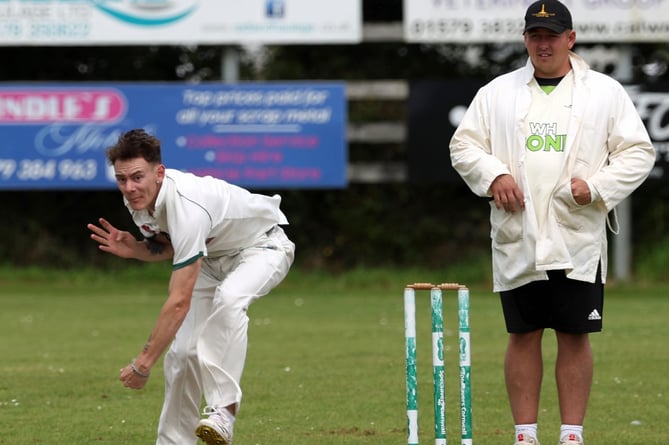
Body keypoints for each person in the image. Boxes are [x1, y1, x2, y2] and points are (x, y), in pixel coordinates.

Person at [449, 1, 655, 445]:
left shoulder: (604, 92)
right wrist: (494, 175)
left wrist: (597, 187)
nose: (544, 44)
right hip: (518, 232)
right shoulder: (497, 92)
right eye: (536, 36)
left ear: (570, 38)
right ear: (525, 40)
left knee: (575, 334)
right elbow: (463, 146)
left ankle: (571, 435)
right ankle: (525, 435)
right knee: (523, 334)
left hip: (575, 234)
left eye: (552, 35)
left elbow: (638, 152)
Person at [87, 128, 295, 445]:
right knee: (182, 354)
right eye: (122, 179)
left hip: (263, 247)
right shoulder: (139, 200)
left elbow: (179, 300)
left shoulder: (187, 203)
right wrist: (138, 249)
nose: (129, 188)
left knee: (230, 299)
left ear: (159, 173)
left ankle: (223, 412)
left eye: (137, 177)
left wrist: (144, 362)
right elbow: (172, 243)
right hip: (212, 259)